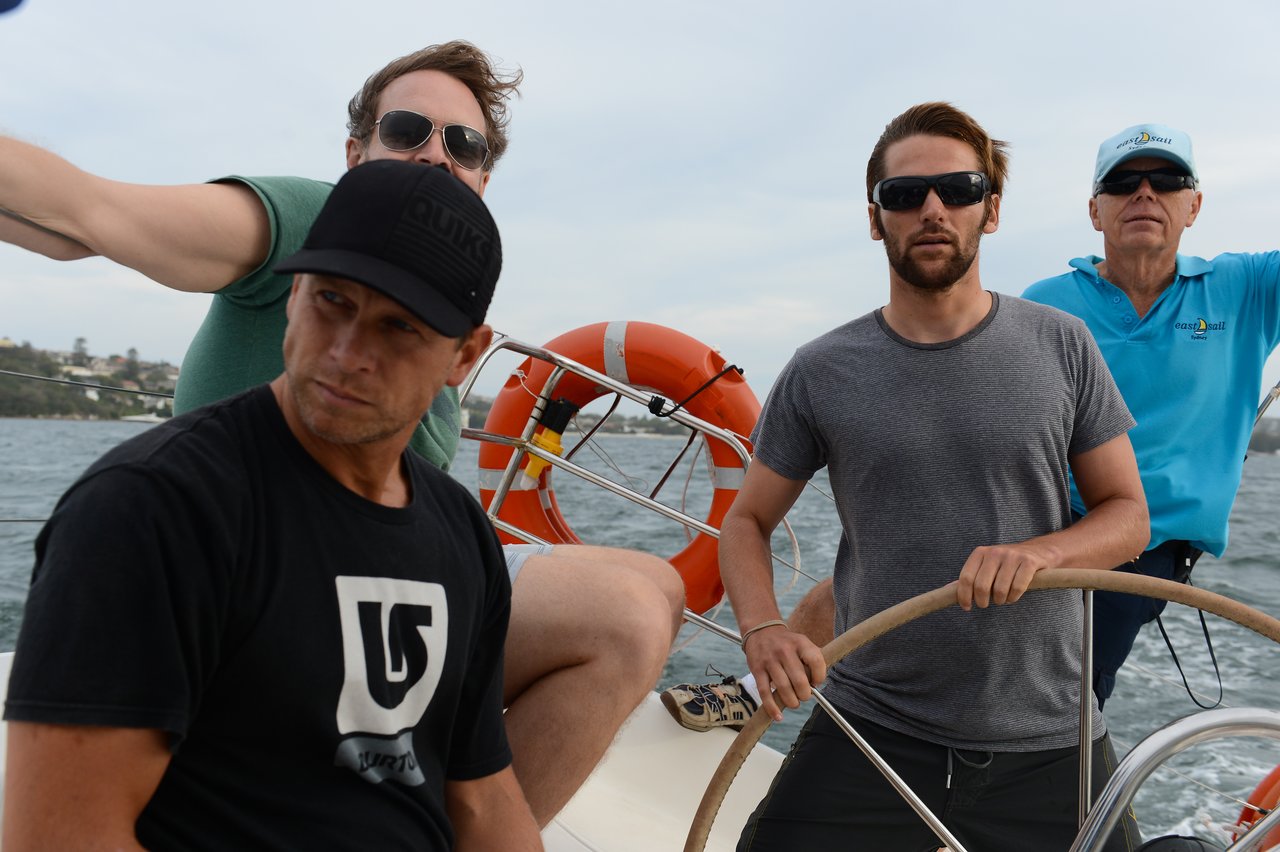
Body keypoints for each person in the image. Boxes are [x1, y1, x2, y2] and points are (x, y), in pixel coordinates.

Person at [0, 41, 685, 825]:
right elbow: (90, 216)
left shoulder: (450, 287)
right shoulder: (310, 219)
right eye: (406, 130)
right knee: (622, 615)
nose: (434, 157)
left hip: (386, 570)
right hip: (258, 575)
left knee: (657, 588)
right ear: (355, 152)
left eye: (463, 145)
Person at [3, 160, 542, 850]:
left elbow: (483, 797)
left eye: (398, 327)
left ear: (466, 355)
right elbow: (65, 838)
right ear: (292, 293)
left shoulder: (458, 532)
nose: (348, 353)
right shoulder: (151, 510)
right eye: (332, 301)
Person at [722, 102, 1148, 850]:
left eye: (957, 189)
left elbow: (1127, 516)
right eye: (903, 194)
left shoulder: (1063, 346)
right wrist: (761, 628)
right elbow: (747, 521)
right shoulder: (821, 369)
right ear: (873, 216)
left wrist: (1040, 554)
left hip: (1050, 736)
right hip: (872, 723)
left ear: (991, 209)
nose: (931, 209)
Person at [1021, 124, 1280, 706]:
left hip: (1143, 547)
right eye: (1122, 182)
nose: (1145, 193)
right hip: (1034, 516)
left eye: (1166, 180)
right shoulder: (1041, 304)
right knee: (888, 565)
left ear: (1194, 205)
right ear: (1095, 209)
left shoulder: (1248, 288)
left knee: (1059, 696)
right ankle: (768, 685)